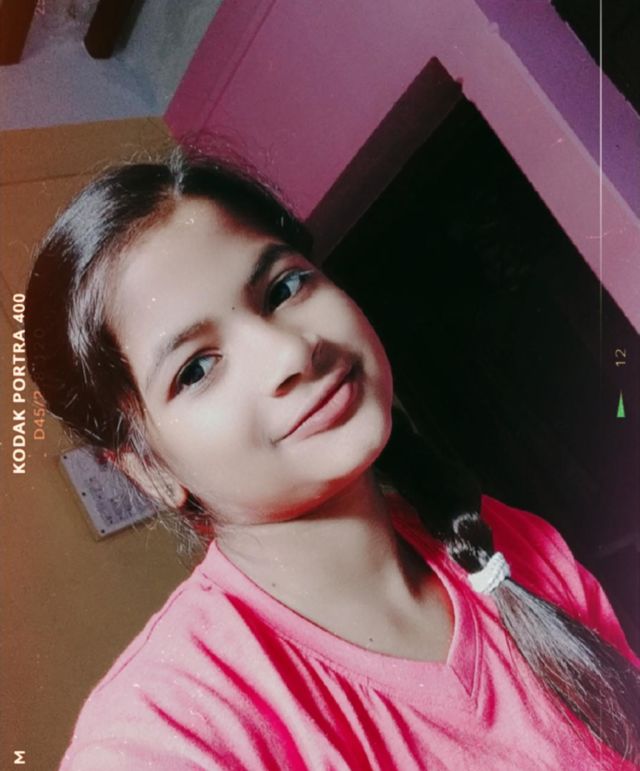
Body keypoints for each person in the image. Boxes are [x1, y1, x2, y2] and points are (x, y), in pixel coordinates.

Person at [25, 147, 639, 770]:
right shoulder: (172, 727)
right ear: (150, 471)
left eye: (283, 288)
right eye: (197, 369)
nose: (292, 353)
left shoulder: (511, 545)